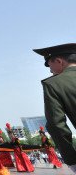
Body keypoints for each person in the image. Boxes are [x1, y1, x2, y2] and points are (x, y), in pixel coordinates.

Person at [33, 43, 76, 173]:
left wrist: (72, 160)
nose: (50, 71)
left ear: (59, 61)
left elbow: (56, 125)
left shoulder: (54, 84)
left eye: (50, 67)